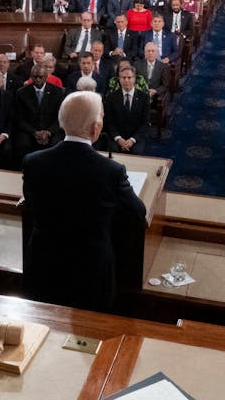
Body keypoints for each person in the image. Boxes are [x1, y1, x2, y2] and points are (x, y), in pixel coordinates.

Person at [19, 91, 147, 311]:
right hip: (90, 273)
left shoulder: (33, 162)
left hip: (43, 266)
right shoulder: (111, 171)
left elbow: (29, 204)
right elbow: (137, 212)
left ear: (61, 121)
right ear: (95, 128)